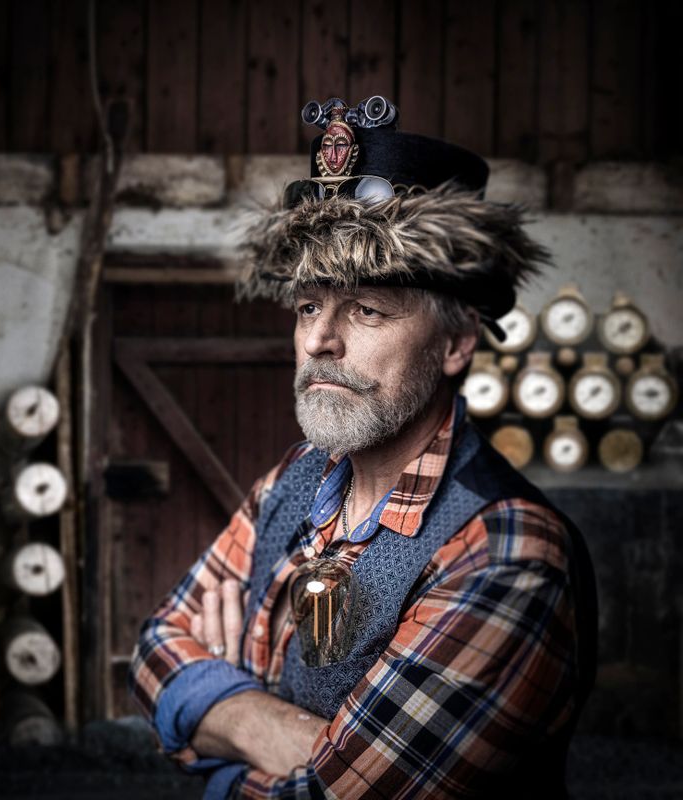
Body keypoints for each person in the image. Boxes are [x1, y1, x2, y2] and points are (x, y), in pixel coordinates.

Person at [129, 96, 597, 799]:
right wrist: (291, 735)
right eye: (310, 304)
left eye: (368, 309)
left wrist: (215, 718)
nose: (320, 340)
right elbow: (154, 648)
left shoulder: (505, 551)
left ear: (456, 341)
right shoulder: (294, 479)